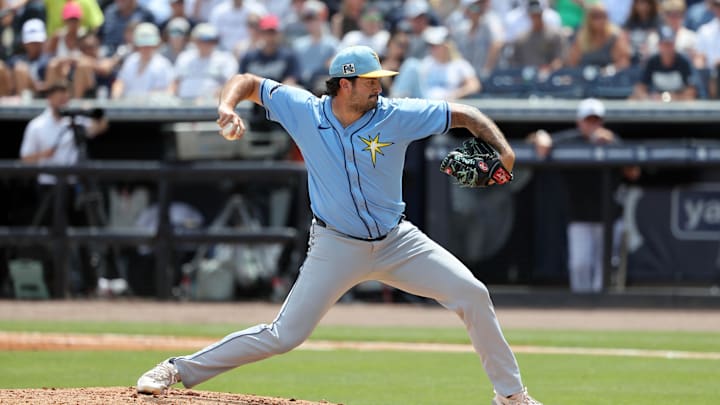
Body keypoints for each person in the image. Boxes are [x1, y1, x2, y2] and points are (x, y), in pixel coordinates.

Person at [135, 44, 541, 405]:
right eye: (370, 81)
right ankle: (176, 370)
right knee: (284, 336)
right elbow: (246, 81)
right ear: (345, 84)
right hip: (336, 247)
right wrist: (226, 107)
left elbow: (465, 114)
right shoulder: (305, 110)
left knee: (472, 293)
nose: (379, 87)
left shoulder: (396, 115)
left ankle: (510, 396)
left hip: (397, 242)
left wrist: (503, 151)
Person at [527, 98, 635, 293]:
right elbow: (538, 140)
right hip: (579, 217)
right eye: (588, 120)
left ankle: (602, 312)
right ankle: (580, 312)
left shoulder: (612, 141)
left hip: (610, 218)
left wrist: (615, 145)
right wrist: (541, 137)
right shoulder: (569, 140)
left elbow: (633, 172)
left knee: (605, 270)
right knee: (579, 265)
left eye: (596, 120)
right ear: (579, 122)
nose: (592, 125)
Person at [19, 79, 108, 293]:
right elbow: (25, 158)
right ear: (49, 98)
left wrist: (96, 113)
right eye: (57, 95)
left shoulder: (75, 121)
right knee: (53, 237)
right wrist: (45, 154)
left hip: (74, 186)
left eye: (64, 95)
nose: (62, 100)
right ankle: (55, 285)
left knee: (84, 236)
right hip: (49, 187)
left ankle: (90, 285)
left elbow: (100, 127)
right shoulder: (37, 125)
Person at [630, 25, 698, 101]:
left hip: (680, 106)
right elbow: (640, 87)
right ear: (659, 45)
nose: (667, 48)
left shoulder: (683, 62)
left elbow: (691, 92)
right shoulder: (652, 62)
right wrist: (648, 98)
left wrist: (669, 98)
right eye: (664, 44)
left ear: (674, 44)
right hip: (656, 107)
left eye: (670, 44)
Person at [173, 23, 237, 100]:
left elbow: (232, 84)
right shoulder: (184, 57)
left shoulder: (225, 59)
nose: (207, 44)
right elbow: (175, 83)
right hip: (183, 105)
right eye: (203, 40)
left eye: (211, 40)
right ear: (195, 40)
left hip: (212, 106)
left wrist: (216, 93)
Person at [111, 22, 175, 99]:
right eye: (143, 45)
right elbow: (120, 83)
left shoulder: (163, 64)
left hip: (153, 109)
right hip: (128, 107)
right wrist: (116, 96)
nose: (146, 48)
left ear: (155, 45)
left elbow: (165, 90)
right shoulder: (131, 60)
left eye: (149, 45)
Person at [566, 2, 631, 72]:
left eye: (603, 16)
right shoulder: (581, 37)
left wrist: (608, 70)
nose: (600, 20)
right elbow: (572, 63)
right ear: (588, 19)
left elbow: (623, 62)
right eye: (595, 16)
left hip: (609, 79)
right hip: (584, 77)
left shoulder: (615, 37)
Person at [508, 0, 568, 75]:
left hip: (551, 79)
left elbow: (560, 59)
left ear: (542, 14)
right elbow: (514, 62)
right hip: (526, 80)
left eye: (538, 15)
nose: (536, 18)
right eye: (533, 15)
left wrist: (548, 70)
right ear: (529, 16)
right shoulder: (521, 38)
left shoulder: (555, 35)